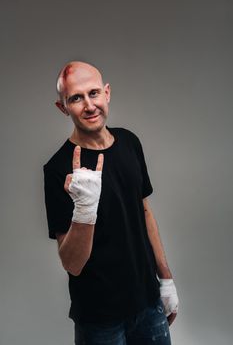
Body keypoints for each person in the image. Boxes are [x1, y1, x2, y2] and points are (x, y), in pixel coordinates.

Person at [43, 61, 179, 345]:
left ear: (107, 93)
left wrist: (166, 280)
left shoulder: (130, 142)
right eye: (76, 98)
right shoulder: (58, 169)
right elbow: (72, 264)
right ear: (63, 107)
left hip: (148, 302)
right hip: (99, 316)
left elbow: (144, 211)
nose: (89, 105)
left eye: (93, 93)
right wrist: (84, 209)